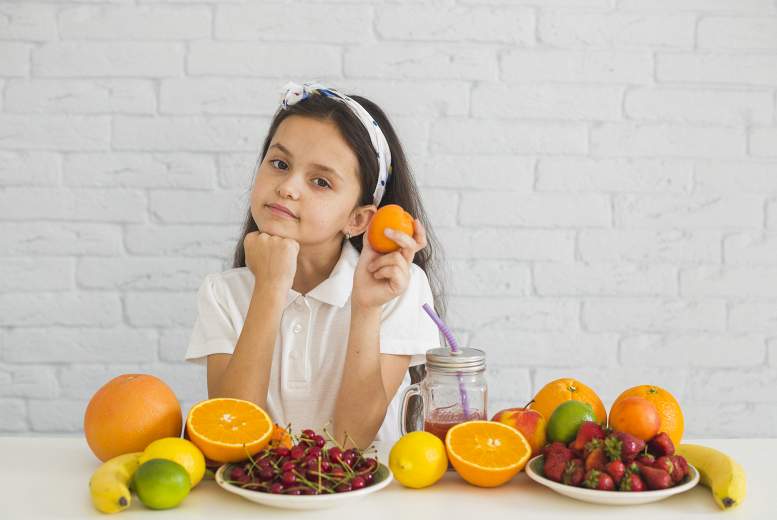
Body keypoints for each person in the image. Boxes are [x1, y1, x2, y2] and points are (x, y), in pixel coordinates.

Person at [184, 81, 446, 448]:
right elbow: (232, 434)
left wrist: (366, 307)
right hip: (264, 499)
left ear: (358, 219)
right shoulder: (223, 293)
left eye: (320, 181)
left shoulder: (398, 286)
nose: (288, 187)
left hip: (370, 500)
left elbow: (351, 440)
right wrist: (270, 289)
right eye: (279, 163)